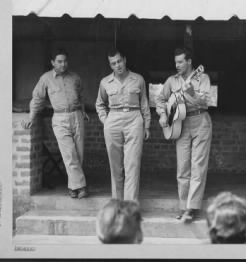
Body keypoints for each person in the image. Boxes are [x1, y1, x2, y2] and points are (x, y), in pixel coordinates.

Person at [156, 25, 212, 223]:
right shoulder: (171, 81)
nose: (177, 65)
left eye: (181, 62)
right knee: (183, 168)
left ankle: (191, 207)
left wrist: (190, 93)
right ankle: (183, 205)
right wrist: (162, 115)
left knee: (198, 166)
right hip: (180, 124)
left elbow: (206, 101)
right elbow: (160, 100)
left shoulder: (202, 77)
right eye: (176, 62)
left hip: (200, 121)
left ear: (189, 62)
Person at [22, 48, 89, 199]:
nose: (63, 64)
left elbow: (81, 95)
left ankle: (73, 186)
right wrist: (31, 117)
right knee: (69, 154)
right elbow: (37, 99)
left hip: (77, 116)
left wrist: (83, 110)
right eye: (59, 61)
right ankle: (81, 187)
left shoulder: (75, 77)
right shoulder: (46, 79)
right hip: (59, 118)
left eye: (65, 61)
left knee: (78, 154)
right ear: (52, 62)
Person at [96, 47, 150, 202]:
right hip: (113, 119)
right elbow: (100, 104)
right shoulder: (105, 82)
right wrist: (105, 121)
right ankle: (118, 204)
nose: (117, 65)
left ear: (125, 60)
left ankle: (130, 206)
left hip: (134, 119)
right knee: (116, 167)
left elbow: (144, 103)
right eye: (113, 63)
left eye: (119, 61)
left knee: (132, 164)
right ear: (110, 65)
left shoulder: (138, 79)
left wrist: (146, 125)